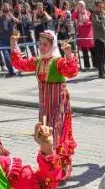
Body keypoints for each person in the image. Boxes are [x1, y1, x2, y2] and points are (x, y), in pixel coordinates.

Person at [10, 30, 78, 179]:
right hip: (45, 105)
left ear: (52, 45)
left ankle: (62, 168)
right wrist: (14, 45)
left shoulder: (58, 61)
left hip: (58, 103)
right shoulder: (38, 61)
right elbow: (19, 64)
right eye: (40, 44)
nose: (41, 47)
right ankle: (51, 166)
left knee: (58, 134)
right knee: (46, 134)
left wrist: (68, 54)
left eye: (45, 44)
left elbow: (72, 71)